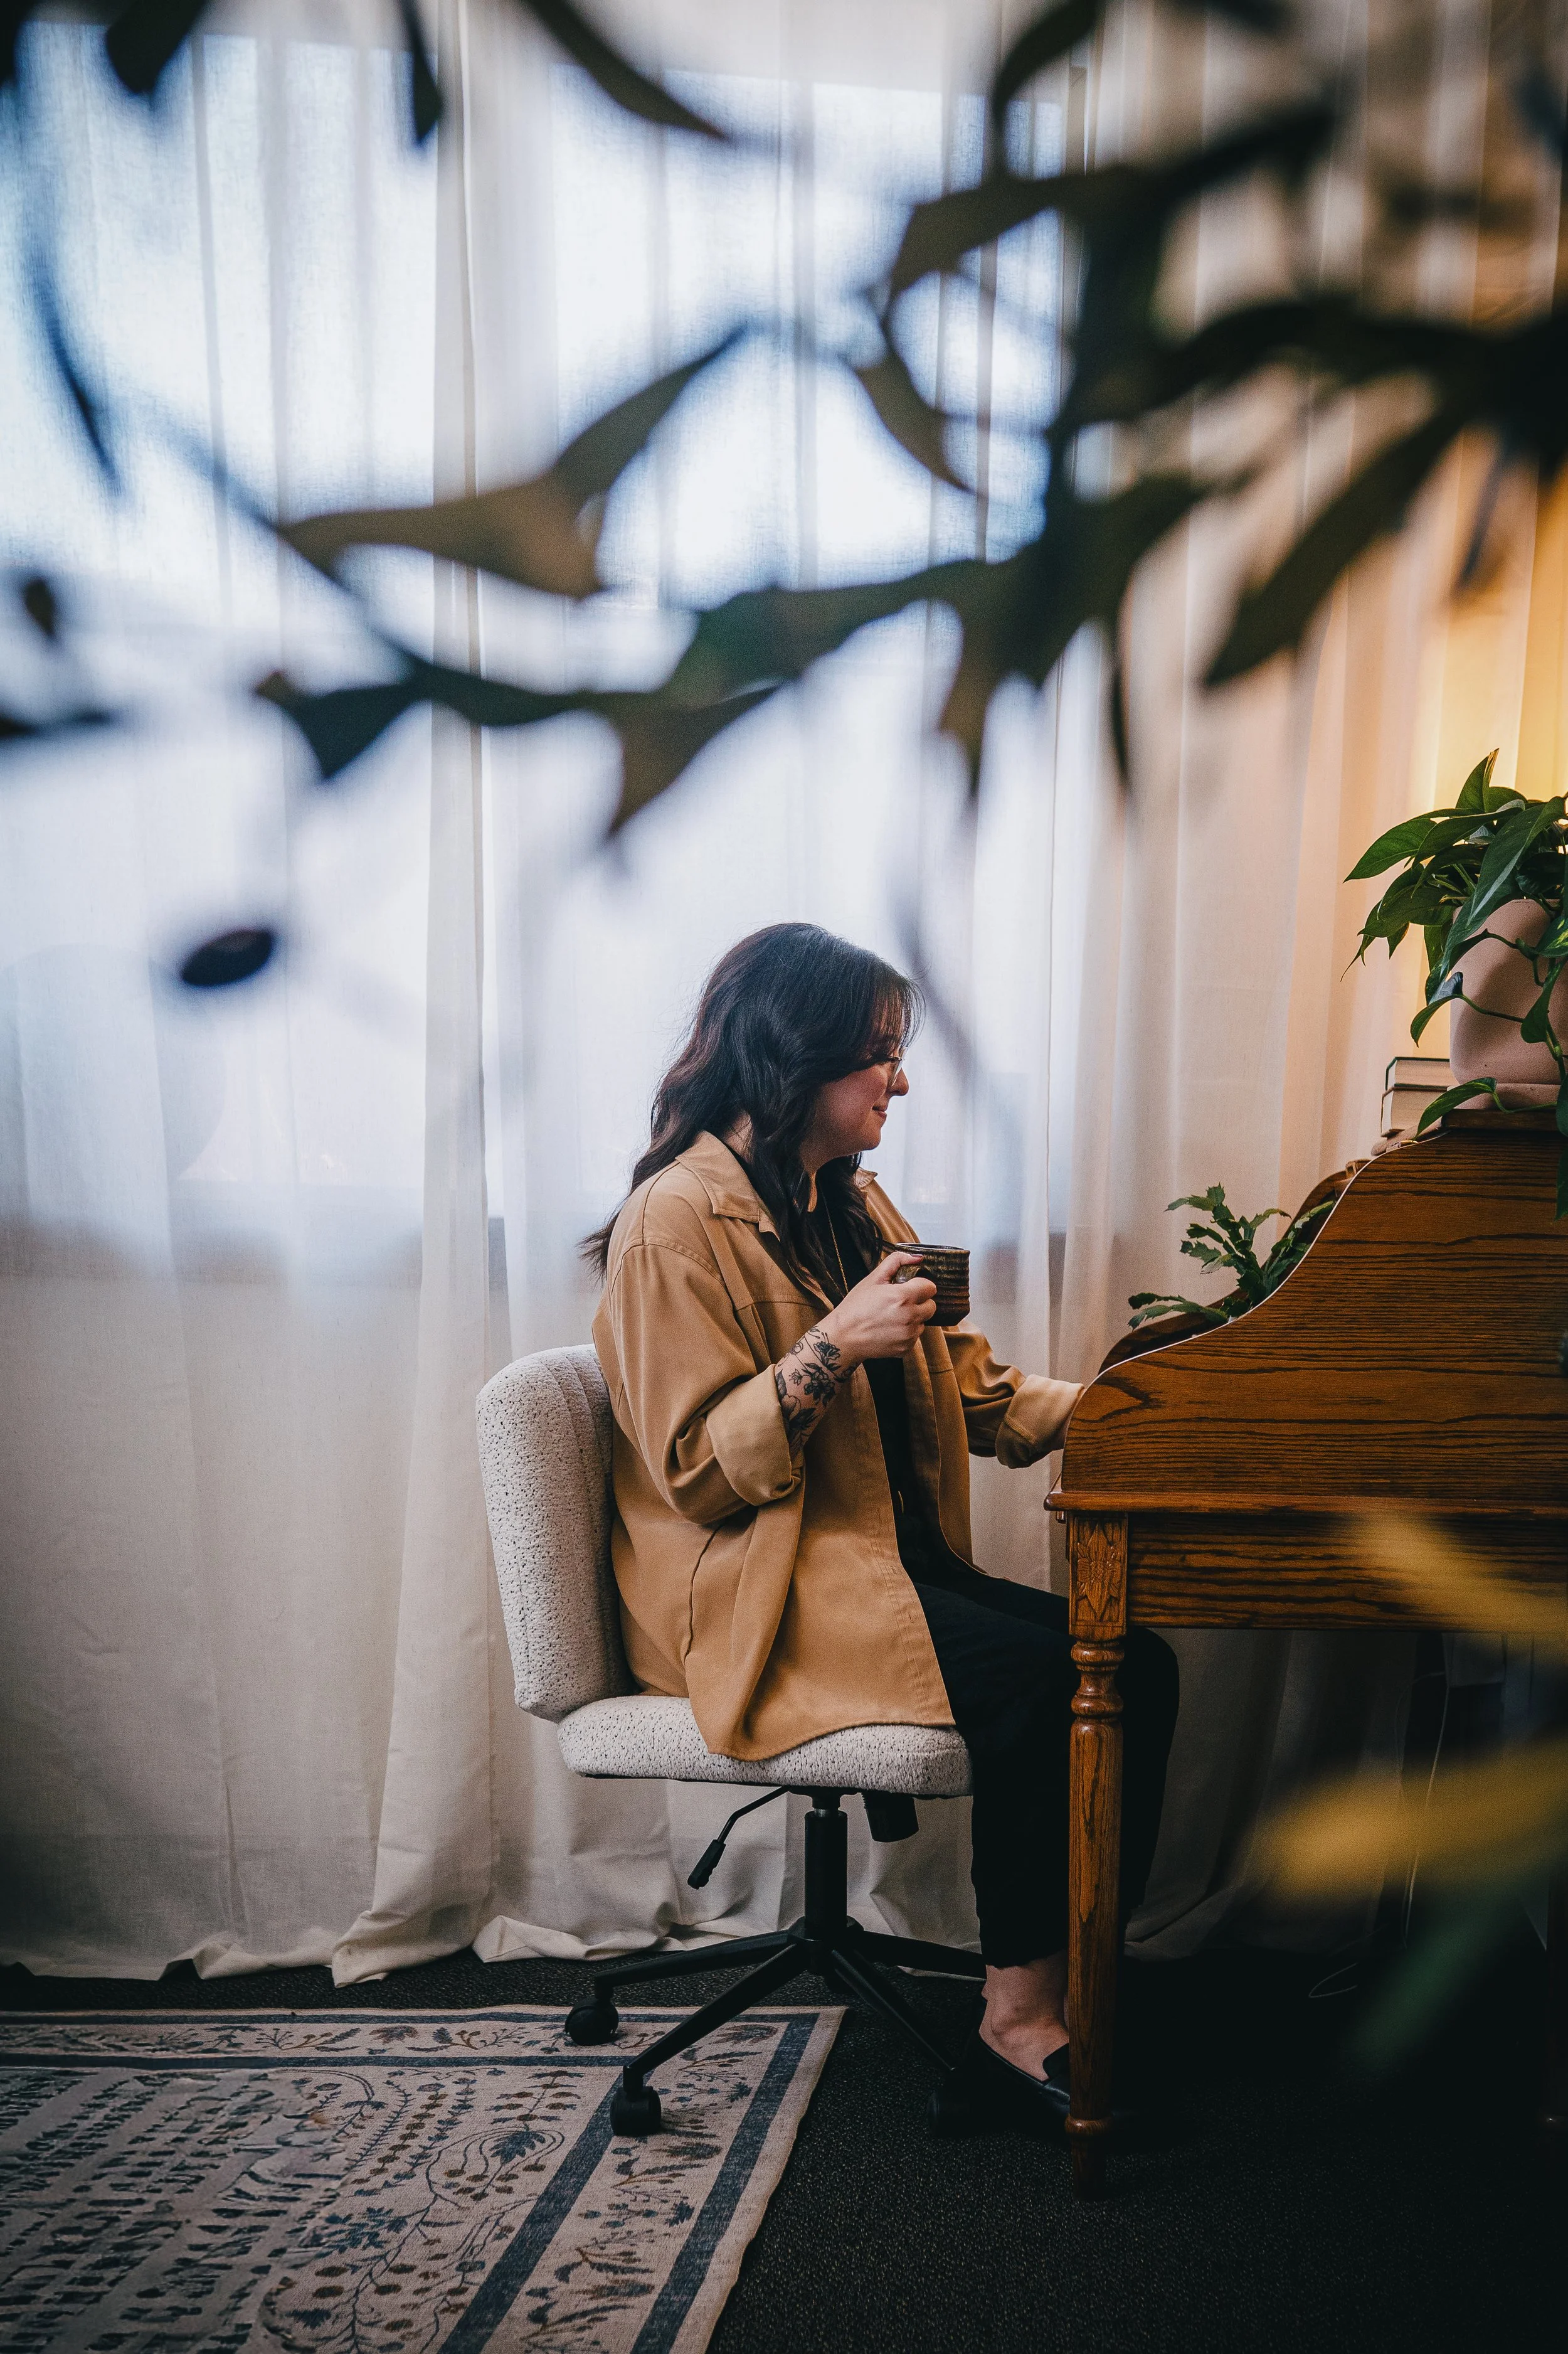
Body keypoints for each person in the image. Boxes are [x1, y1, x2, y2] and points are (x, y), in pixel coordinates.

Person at [587, 923, 1178, 2126]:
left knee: (1137, 1666)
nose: (898, 1081)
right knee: (1046, 1687)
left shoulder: (850, 1204)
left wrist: (1134, 1405)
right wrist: (830, 1346)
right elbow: (698, 1471)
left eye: (898, 1054)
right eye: (879, 1055)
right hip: (754, 1598)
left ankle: (1066, 1986)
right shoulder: (673, 1224)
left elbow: (975, 1391)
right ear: (791, 1056)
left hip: (872, 1570)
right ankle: (1018, 2023)